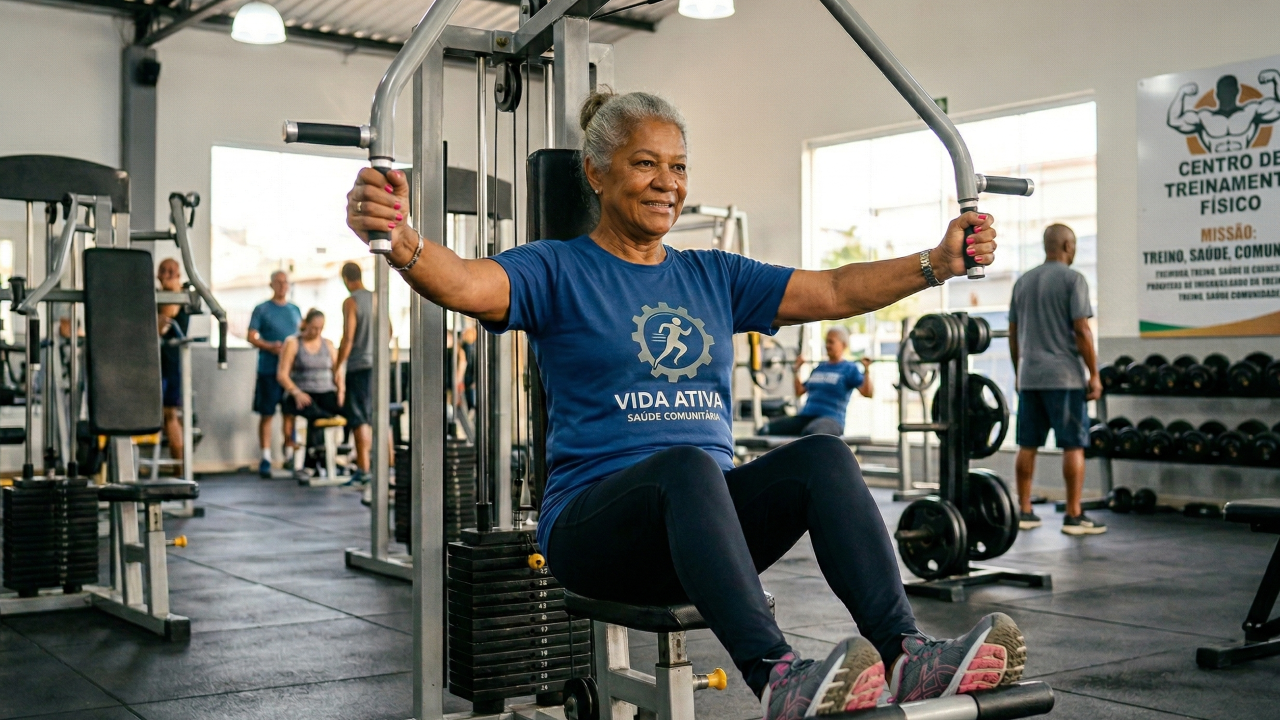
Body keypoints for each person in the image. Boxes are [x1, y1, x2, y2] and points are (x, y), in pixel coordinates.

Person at [346, 89, 1022, 719]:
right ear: (596, 173)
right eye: (645, 164)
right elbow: (465, 282)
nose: (667, 181)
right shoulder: (555, 269)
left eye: (678, 166)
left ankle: (908, 656)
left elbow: (837, 290)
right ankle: (778, 678)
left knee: (822, 456)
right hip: (594, 532)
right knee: (688, 466)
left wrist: (937, 261)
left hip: (700, 527)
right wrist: (400, 238)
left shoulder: (713, 274)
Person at [1008, 223, 1104, 536]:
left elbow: (1012, 334)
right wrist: (1095, 374)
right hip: (1065, 378)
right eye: (1073, 245)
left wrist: (1018, 372)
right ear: (1065, 246)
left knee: (1027, 445)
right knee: (1074, 445)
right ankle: (1074, 515)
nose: (1074, 250)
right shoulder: (1074, 279)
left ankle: (1024, 510)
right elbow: (1082, 330)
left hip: (1030, 377)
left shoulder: (1023, 281)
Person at [760, 325, 873, 437]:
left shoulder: (849, 368)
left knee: (812, 434)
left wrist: (867, 370)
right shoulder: (820, 367)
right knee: (766, 430)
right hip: (807, 416)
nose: (827, 345)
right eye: (826, 342)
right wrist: (796, 370)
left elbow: (867, 393)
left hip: (831, 420)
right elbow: (799, 391)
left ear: (843, 345)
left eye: (831, 342)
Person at [247, 270, 302, 478]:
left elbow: (302, 337)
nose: (281, 286)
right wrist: (270, 346)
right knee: (267, 414)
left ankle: (289, 455)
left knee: (290, 414)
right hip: (268, 370)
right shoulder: (262, 309)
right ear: (271, 285)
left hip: (290, 373)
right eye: (277, 282)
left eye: (285, 282)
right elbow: (251, 336)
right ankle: (266, 458)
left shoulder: (295, 310)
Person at [278, 309, 344, 477]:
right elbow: (282, 375)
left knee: (351, 408)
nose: (317, 332)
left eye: (320, 328)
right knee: (314, 413)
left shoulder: (328, 344)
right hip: (302, 394)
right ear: (306, 324)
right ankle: (311, 462)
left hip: (325, 392)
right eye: (314, 327)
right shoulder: (293, 343)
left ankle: (342, 455)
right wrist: (296, 392)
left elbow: (338, 371)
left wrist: (341, 390)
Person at [336, 262, 374, 485]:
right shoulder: (377, 297)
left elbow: (348, 337)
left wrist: (339, 365)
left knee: (359, 419)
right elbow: (387, 330)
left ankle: (363, 469)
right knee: (379, 417)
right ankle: (385, 467)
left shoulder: (351, 302)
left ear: (345, 279)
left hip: (359, 367)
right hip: (378, 366)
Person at [157, 258, 189, 473]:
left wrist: (173, 287)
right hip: (152, 365)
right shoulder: (155, 296)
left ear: (179, 275)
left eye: (172, 271)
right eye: (164, 271)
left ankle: (180, 470)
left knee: (171, 415)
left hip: (172, 365)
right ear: (158, 275)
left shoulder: (179, 296)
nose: (168, 274)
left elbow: (163, 321)